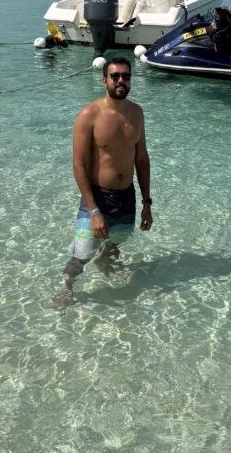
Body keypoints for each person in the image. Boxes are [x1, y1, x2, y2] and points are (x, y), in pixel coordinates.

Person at [54, 56, 153, 307]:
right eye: (115, 76)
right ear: (104, 80)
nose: (120, 80)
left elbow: (141, 159)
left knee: (117, 240)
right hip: (97, 197)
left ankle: (105, 261)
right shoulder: (90, 114)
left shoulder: (137, 113)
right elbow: (78, 165)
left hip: (126, 196)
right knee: (81, 254)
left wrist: (147, 203)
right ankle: (67, 288)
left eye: (126, 76)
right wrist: (94, 209)